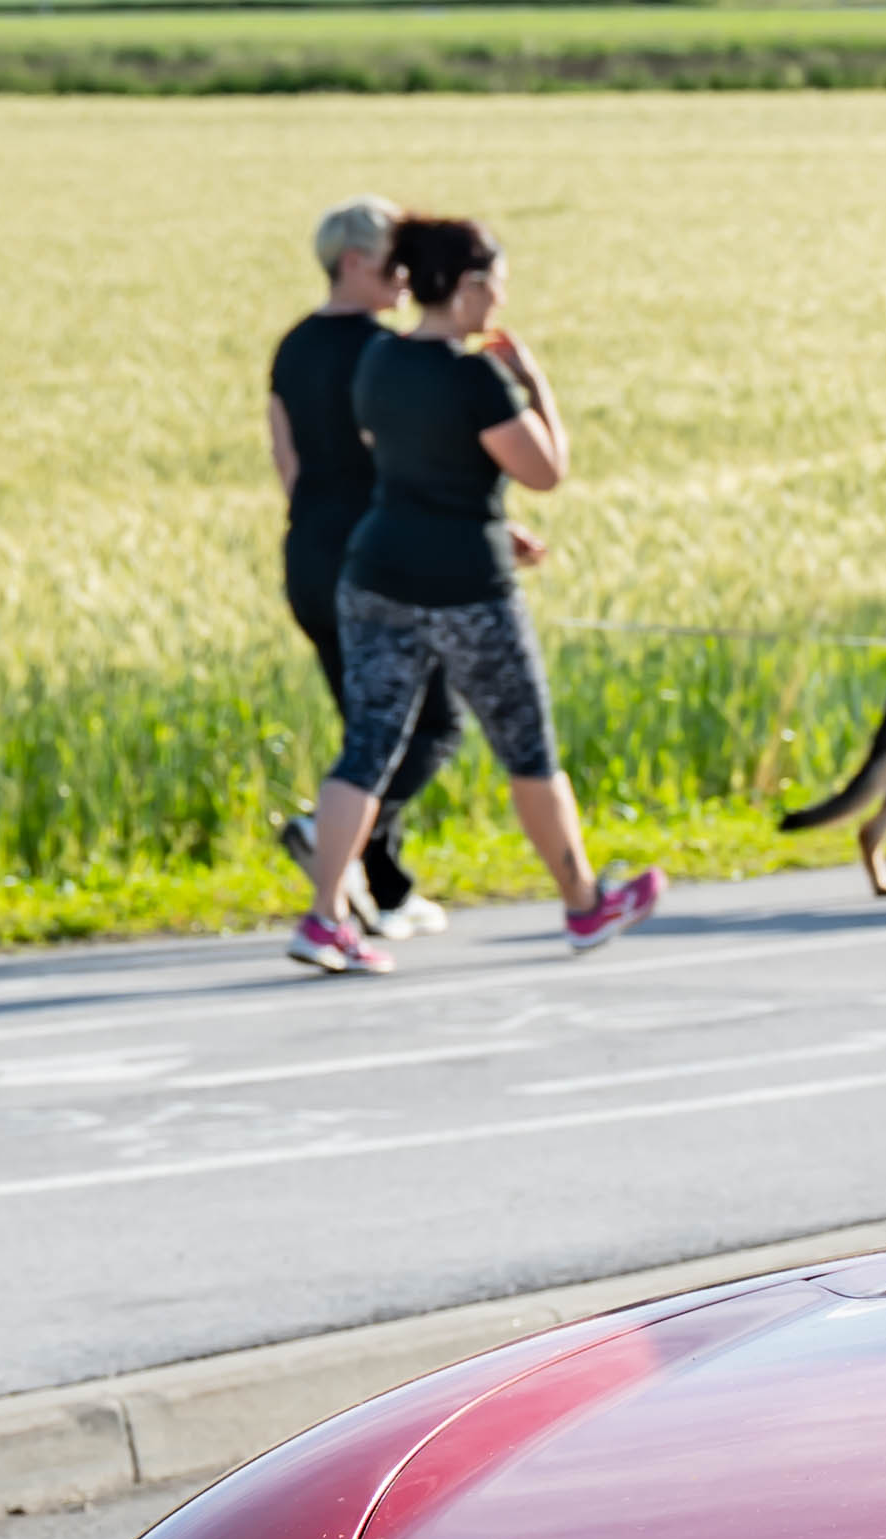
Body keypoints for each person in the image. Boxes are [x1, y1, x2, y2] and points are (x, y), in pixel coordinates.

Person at [289, 213, 662, 974]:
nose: (500, 299)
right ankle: (584, 903)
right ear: (466, 285)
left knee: (367, 747)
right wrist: (533, 382)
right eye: (495, 284)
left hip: (376, 574)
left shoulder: (380, 360)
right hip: (469, 588)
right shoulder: (475, 378)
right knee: (528, 749)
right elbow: (545, 470)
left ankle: (325, 919)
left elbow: (395, 455)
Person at [266, 197, 459, 938]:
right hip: (377, 562)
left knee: (369, 729)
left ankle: (386, 890)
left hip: (308, 557)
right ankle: (329, 835)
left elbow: (287, 463)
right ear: (353, 263)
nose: (406, 277)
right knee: (433, 723)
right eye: (393, 263)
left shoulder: (291, 348)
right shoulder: (386, 354)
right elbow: (407, 464)